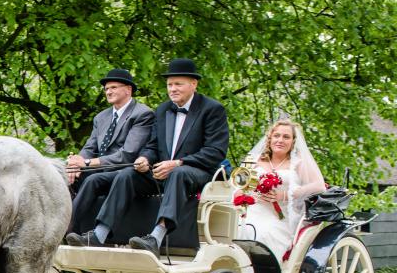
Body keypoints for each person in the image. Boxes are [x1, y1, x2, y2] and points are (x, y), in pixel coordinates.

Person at [65, 58, 229, 255]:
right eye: (169, 84)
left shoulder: (212, 109)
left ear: (193, 84)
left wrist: (178, 162)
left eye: (178, 84)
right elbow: (152, 146)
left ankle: (156, 237)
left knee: (178, 173)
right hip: (162, 171)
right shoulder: (162, 110)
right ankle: (99, 234)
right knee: (126, 175)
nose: (173, 89)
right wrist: (144, 159)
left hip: (196, 172)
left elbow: (216, 151)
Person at [66, 68, 154, 235]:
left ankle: (66, 227)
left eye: (113, 87)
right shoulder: (101, 117)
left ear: (128, 89)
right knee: (63, 178)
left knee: (93, 180)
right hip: (99, 169)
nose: (108, 91)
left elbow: (128, 153)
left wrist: (86, 163)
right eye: (106, 88)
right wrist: (76, 163)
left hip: (124, 170)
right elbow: (90, 147)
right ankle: (68, 232)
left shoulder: (143, 114)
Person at [237, 118, 326, 259]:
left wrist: (285, 195)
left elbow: (319, 186)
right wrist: (248, 196)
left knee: (261, 233)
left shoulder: (298, 163)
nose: (280, 140)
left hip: (280, 217)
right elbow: (238, 186)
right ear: (270, 138)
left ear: (293, 142)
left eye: (286, 137)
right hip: (251, 211)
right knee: (236, 228)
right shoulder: (252, 159)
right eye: (276, 135)